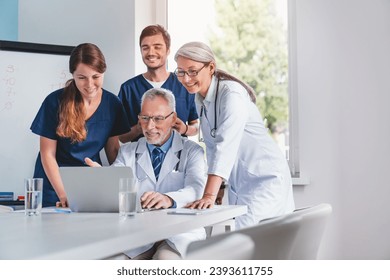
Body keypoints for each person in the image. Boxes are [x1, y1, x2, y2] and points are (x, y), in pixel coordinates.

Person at [174, 41, 295, 229]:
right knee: (245, 241)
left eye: (192, 71)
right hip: (242, 182)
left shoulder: (232, 94)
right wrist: (220, 188)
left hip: (266, 178)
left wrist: (208, 196)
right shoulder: (200, 99)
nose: (186, 78)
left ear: (211, 67)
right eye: (181, 72)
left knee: (254, 241)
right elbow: (213, 148)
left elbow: (225, 145)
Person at [86, 88, 206, 260]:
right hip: (139, 232)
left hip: (179, 231)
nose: (150, 126)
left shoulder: (192, 151)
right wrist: (103, 178)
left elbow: (196, 189)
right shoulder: (127, 152)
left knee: (164, 260)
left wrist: (169, 199)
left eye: (158, 119)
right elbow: (117, 179)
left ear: (173, 118)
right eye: (145, 118)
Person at [30, 43, 130, 208]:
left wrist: (118, 187)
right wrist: (64, 194)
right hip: (54, 185)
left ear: (103, 73)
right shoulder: (54, 102)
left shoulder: (113, 104)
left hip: (89, 183)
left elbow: (113, 151)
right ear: (73, 75)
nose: (90, 84)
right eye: (82, 78)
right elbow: (47, 154)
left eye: (96, 77)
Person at [118, 24, 198, 143]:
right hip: (141, 158)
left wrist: (185, 129)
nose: (151, 52)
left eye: (157, 47)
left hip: (178, 157)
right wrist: (139, 129)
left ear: (168, 50)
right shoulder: (128, 89)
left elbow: (196, 126)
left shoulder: (184, 84)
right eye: (145, 47)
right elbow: (121, 137)